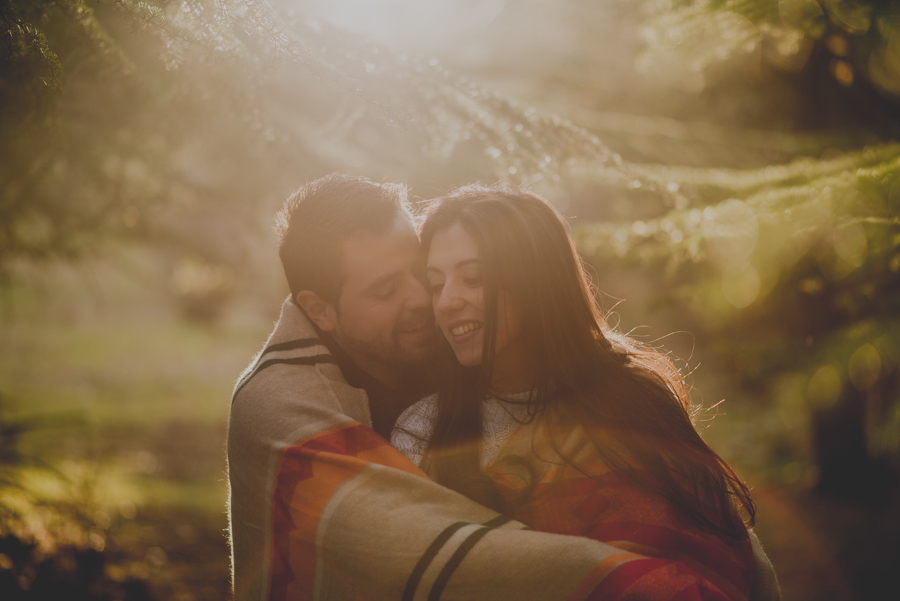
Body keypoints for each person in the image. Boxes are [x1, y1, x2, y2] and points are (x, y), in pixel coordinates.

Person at [228, 174, 779, 601]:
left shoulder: (630, 395)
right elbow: (427, 561)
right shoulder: (316, 410)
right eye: (390, 288)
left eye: (428, 275)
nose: (431, 301)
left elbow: (717, 540)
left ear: (531, 279)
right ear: (322, 311)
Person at [393, 184, 780, 600]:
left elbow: (724, 549)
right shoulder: (423, 432)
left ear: (535, 282)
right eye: (435, 284)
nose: (448, 301)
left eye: (473, 278)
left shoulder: (633, 400)